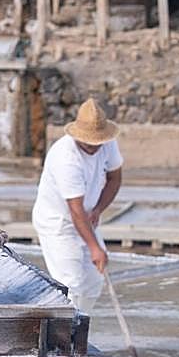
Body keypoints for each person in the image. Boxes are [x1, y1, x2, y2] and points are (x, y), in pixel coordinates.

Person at [31, 98, 124, 314]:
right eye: (88, 142)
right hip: (58, 223)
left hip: (86, 216)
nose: (93, 147)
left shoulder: (107, 142)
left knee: (93, 280)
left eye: (97, 142)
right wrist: (94, 247)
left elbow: (114, 179)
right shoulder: (65, 158)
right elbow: (75, 210)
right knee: (70, 283)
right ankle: (65, 338)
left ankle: (80, 328)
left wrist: (99, 209)